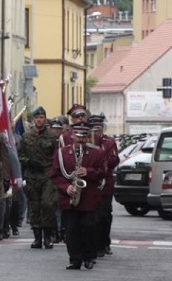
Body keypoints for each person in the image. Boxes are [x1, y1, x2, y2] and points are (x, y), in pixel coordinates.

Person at [52, 123, 105, 270]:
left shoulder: (97, 152)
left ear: (88, 137)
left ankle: (88, 257)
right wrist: (65, 187)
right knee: (71, 230)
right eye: (78, 136)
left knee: (89, 228)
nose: (80, 140)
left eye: (84, 137)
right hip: (69, 197)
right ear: (72, 136)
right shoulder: (61, 153)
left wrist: (88, 172)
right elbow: (55, 175)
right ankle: (75, 259)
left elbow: (103, 172)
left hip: (89, 197)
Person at [17, 106, 59, 249]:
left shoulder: (52, 137)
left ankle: (48, 236)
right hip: (32, 175)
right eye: (37, 118)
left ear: (45, 119)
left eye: (41, 117)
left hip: (48, 174)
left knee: (47, 204)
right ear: (33, 120)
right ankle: (37, 238)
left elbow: (58, 156)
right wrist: (28, 162)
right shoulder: (26, 136)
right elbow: (19, 154)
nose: (39, 120)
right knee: (35, 206)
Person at [89, 114, 118, 258]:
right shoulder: (85, 142)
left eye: (99, 129)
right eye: (93, 129)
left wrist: (102, 160)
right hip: (90, 182)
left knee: (104, 215)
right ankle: (92, 245)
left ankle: (104, 243)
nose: (96, 132)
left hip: (105, 183)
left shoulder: (109, 142)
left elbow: (114, 160)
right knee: (91, 216)